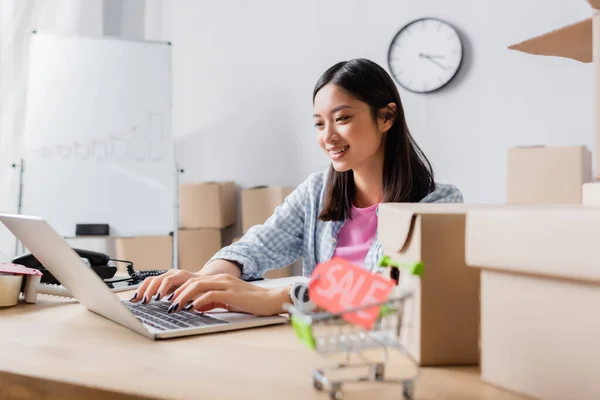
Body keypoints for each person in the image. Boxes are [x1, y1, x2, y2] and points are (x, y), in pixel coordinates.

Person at [130, 58, 463, 316]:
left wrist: (279, 298)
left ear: (386, 117)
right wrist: (206, 278)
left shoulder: (439, 203)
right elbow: (256, 246)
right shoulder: (317, 190)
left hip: (384, 352)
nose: (328, 136)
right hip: (319, 347)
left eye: (342, 119)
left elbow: (391, 294)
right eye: (319, 123)